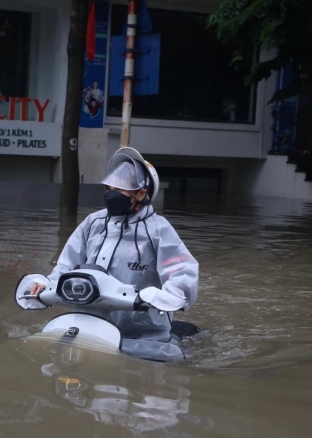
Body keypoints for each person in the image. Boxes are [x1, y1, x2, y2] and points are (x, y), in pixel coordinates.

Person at [29, 147, 199, 360]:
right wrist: (46, 284)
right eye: (109, 187)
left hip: (142, 333)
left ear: (140, 193)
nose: (111, 193)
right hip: (88, 324)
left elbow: (183, 271)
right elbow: (67, 264)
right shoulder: (93, 223)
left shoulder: (158, 229)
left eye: (119, 189)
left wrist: (170, 295)